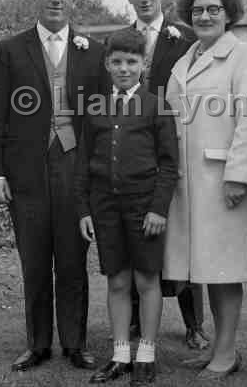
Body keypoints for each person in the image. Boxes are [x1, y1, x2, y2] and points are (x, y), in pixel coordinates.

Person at [0, 0, 106, 372]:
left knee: (73, 260)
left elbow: (102, 117)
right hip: (27, 171)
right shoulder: (10, 49)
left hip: (76, 167)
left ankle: (74, 343)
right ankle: (37, 344)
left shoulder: (94, 50)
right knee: (34, 261)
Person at [163, 0, 247, 381]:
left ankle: (226, 352)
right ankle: (215, 350)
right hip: (188, 184)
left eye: (213, 9)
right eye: (198, 9)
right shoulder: (184, 58)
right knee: (203, 268)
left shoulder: (242, 55)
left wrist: (240, 176)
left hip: (223, 181)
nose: (204, 15)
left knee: (224, 270)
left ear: (228, 14)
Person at [75, 28, 179, 385]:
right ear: (107, 64)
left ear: (143, 64)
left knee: (146, 279)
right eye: (116, 62)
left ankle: (146, 353)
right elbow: (83, 163)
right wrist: (84, 209)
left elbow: (169, 165)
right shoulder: (95, 107)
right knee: (117, 279)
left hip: (143, 205)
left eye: (131, 62)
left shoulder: (157, 106)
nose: (123, 68)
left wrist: (158, 209)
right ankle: (121, 354)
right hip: (105, 205)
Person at [125, 0, 208, 349]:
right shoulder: (121, 40)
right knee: (137, 236)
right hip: (134, 151)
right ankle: (136, 325)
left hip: (178, 142)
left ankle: (194, 324)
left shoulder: (187, 37)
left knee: (183, 234)